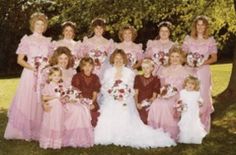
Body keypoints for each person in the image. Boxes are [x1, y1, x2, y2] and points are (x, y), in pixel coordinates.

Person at [94, 49, 176, 148]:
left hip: (126, 98)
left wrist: (124, 95)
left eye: (120, 58)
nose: (118, 60)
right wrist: (113, 94)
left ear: (124, 60)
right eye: (116, 58)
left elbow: (132, 88)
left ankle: (124, 133)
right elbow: (104, 87)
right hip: (110, 98)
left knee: (124, 109)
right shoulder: (108, 72)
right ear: (112, 59)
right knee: (109, 109)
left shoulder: (129, 72)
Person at [4, 12, 51, 141]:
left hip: (43, 75)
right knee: (28, 100)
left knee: (40, 100)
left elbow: (50, 59)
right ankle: (24, 131)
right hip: (30, 74)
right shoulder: (27, 39)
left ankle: (39, 129)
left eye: (42, 24)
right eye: (37, 24)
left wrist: (44, 67)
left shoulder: (48, 41)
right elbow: (20, 60)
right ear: (33, 25)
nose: (40, 27)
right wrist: (34, 67)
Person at [48, 47, 94, 148]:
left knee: (82, 108)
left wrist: (78, 94)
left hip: (70, 97)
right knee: (76, 109)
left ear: (69, 59)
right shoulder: (52, 70)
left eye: (66, 58)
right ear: (56, 58)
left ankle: (79, 138)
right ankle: (67, 138)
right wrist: (61, 97)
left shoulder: (71, 71)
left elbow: (73, 86)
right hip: (57, 99)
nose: (63, 61)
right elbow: (47, 88)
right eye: (61, 58)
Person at [182, 16, 217, 133]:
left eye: (203, 25)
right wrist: (189, 61)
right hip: (189, 70)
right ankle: (188, 125)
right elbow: (183, 55)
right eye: (198, 25)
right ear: (195, 26)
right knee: (188, 95)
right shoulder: (188, 39)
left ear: (206, 26)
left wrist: (202, 62)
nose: (200, 27)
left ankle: (202, 125)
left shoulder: (210, 40)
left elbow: (214, 58)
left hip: (203, 71)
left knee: (202, 96)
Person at [148, 46, 190, 140]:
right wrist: (164, 93)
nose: (174, 59)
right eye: (172, 56)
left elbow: (186, 88)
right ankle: (156, 131)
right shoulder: (165, 70)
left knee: (166, 105)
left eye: (177, 56)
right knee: (156, 103)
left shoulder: (185, 71)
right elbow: (162, 86)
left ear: (181, 58)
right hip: (165, 94)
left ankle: (169, 132)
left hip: (178, 96)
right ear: (169, 58)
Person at [72, 57, 101, 127]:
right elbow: (77, 91)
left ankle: (91, 129)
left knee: (93, 109)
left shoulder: (95, 77)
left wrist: (91, 102)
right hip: (80, 99)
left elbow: (95, 93)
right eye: (85, 65)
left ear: (93, 66)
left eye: (89, 65)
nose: (87, 67)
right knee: (82, 109)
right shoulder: (77, 76)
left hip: (91, 100)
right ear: (82, 67)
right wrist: (84, 102)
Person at [39, 67, 64, 149]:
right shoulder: (48, 86)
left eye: (58, 75)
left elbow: (61, 97)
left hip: (58, 108)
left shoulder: (60, 86)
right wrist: (55, 97)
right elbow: (44, 98)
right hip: (51, 107)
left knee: (57, 123)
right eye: (54, 75)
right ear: (50, 76)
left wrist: (62, 97)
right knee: (50, 123)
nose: (57, 77)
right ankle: (48, 141)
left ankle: (55, 143)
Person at [177, 75, 207, 144]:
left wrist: (200, 102)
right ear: (185, 83)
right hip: (186, 111)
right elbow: (180, 100)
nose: (190, 85)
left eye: (192, 84)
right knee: (186, 123)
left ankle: (194, 138)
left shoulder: (196, 93)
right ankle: (185, 138)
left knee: (193, 123)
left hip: (194, 111)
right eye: (189, 83)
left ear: (195, 85)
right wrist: (180, 104)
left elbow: (200, 100)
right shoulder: (182, 92)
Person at [134, 58, 160, 124]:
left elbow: (154, 97)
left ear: (152, 68)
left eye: (147, 68)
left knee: (147, 116)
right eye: (144, 68)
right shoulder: (138, 77)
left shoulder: (156, 79)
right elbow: (136, 93)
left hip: (150, 101)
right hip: (138, 100)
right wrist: (137, 103)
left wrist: (146, 103)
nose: (145, 70)